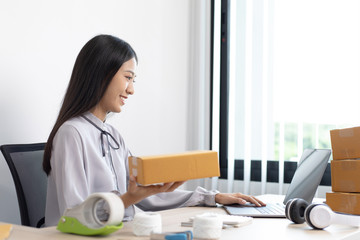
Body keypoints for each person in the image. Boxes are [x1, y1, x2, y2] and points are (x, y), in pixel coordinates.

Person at [43, 34, 265, 227]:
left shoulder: (113, 136)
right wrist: (129, 199)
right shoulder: (72, 134)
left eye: (133, 80)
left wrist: (213, 196)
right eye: (128, 78)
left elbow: (146, 196)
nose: (131, 90)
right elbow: (73, 216)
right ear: (101, 74)